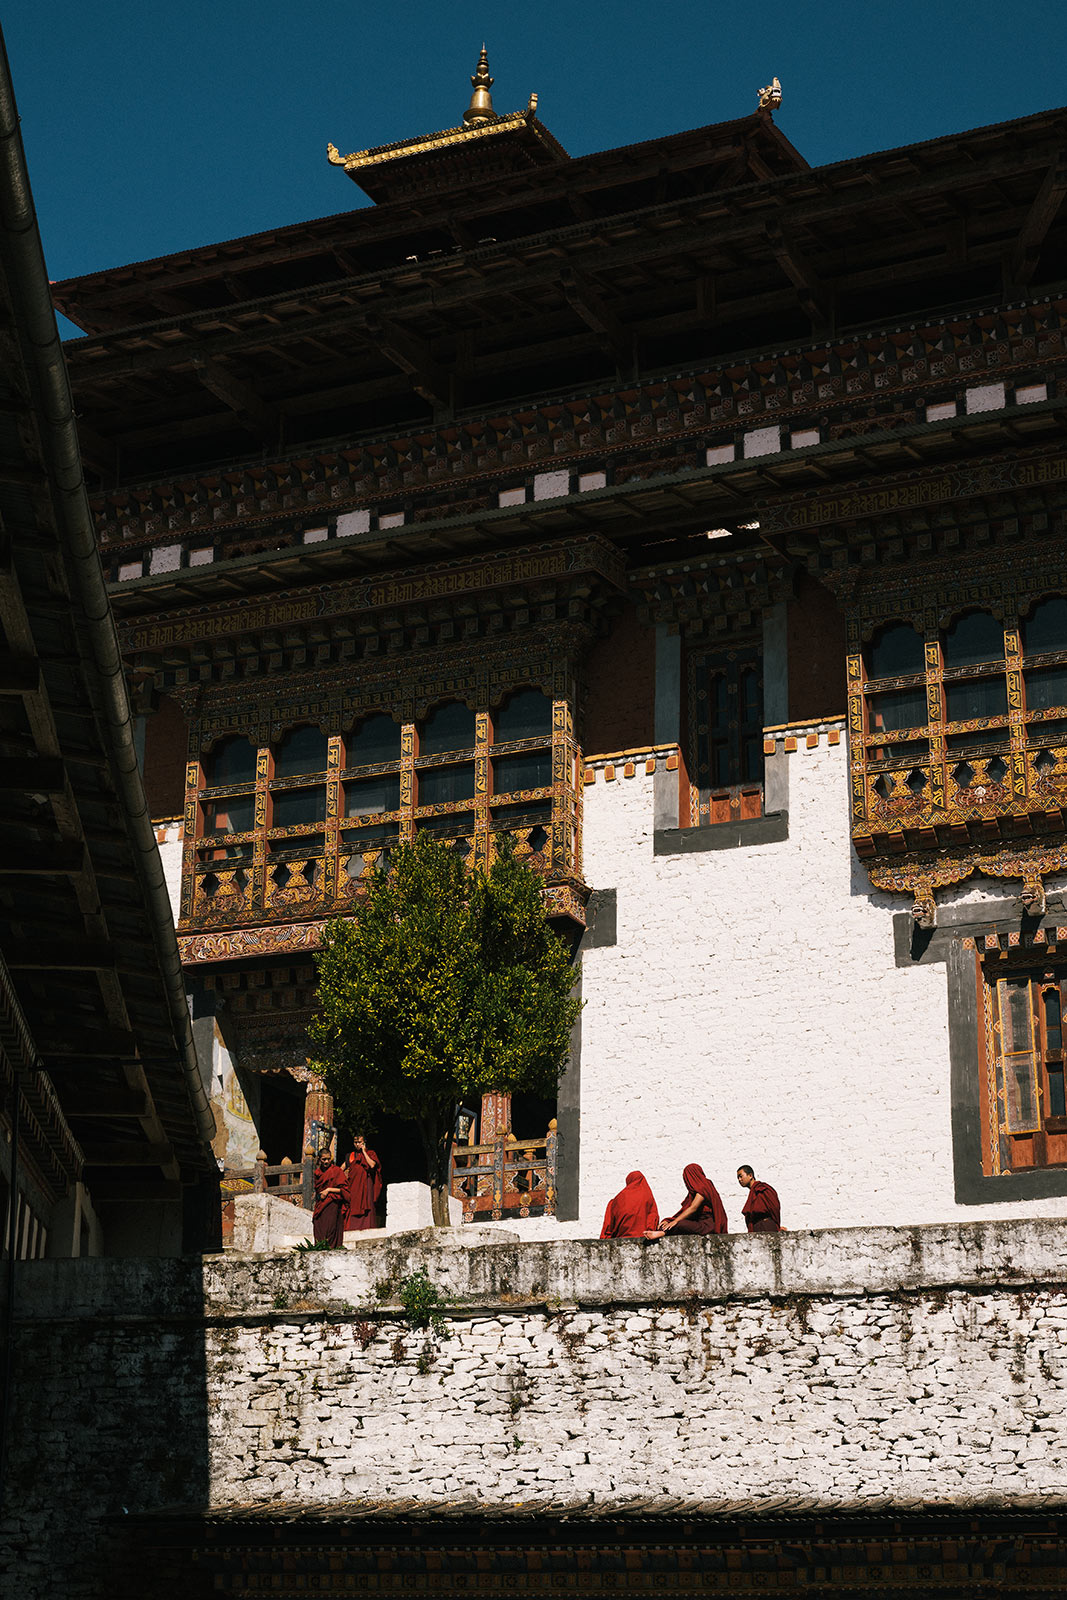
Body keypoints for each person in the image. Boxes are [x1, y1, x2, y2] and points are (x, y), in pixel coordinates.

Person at [645, 1163, 728, 1238]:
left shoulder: (703, 1186)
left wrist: (675, 1221)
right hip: (697, 1222)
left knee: (680, 1224)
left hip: (707, 1226)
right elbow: (684, 1211)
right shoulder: (693, 1194)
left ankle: (663, 1233)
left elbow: (693, 1208)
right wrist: (669, 1221)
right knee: (665, 1224)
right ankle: (663, 1230)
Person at [600, 1171, 659, 1238]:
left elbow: (608, 1226)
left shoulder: (617, 1199)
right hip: (644, 1238)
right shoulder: (647, 1196)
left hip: (620, 1240)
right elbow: (653, 1217)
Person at [343, 1134, 382, 1232]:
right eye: (355, 1142)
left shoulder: (370, 1153)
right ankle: (352, 1227)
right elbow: (341, 1169)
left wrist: (364, 1151)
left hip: (366, 1184)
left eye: (359, 1142)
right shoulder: (350, 1156)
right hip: (353, 1185)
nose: (357, 1144)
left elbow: (372, 1165)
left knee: (367, 1203)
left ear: (364, 1142)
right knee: (353, 1204)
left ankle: (367, 1227)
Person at [312, 1147, 346, 1246]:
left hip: (332, 1203)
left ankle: (330, 1247)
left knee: (330, 1227)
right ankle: (320, 1247)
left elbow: (344, 1190)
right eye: (324, 1159)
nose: (326, 1161)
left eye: (328, 1159)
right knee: (318, 1224)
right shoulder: (318, 1173)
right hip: (321, 1203)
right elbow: (318, 1189)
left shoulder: (336, 1171)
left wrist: (328, 1190)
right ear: (319, 1159)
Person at [737, 1165, 781, 1232]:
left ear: (750, 1176)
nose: (739, 1180)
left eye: (741, 1176)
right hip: (756, 1228)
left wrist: (776, 1225)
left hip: (766, 1226)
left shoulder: (762, 1189)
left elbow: (774, 1207)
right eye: (738, 1178)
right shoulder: (753, 1192)